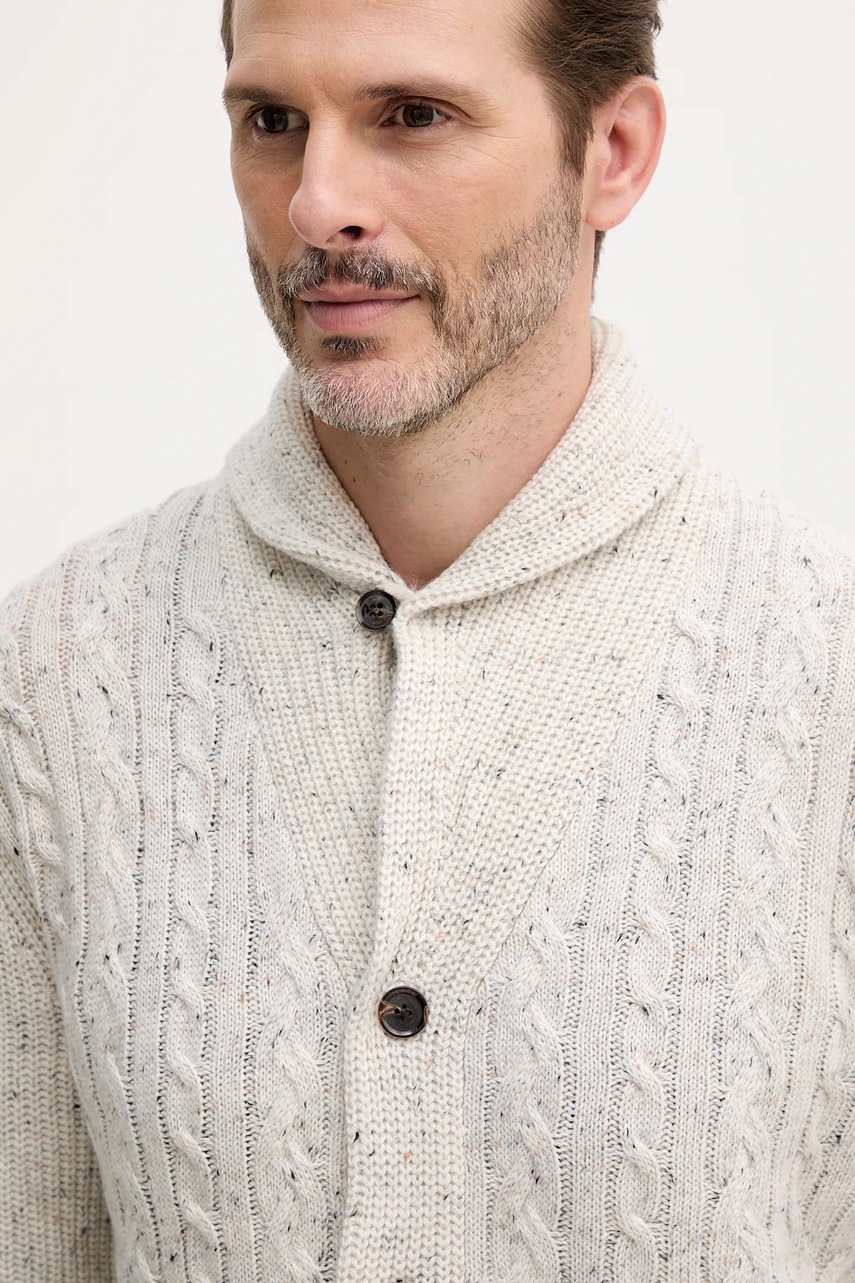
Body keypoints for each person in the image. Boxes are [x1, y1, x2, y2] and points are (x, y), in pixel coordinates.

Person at [1, 0, 853, 1277]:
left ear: (612, 151)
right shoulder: (61, 669)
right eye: (273, 121)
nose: (317, 203)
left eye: (412, 116)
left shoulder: (825, 668)